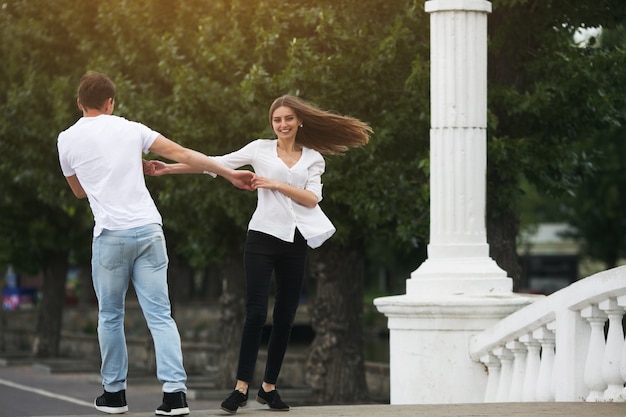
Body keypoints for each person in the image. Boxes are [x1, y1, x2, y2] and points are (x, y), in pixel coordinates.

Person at [146, 94, 372, 413]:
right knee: (255, 313)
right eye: (277, 120)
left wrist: (275, 184)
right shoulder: (259, 149)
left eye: (288, 119)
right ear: (272, 123)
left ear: (300, 121)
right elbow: (215, 162)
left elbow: (311, 199)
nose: (282, 124)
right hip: (261, 238)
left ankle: (269, 388)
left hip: (294, 242)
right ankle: (241, 388)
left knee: (285, 317)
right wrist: (167, 169)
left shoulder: (313, 158)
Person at [57, 71, 255, 416]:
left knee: (110, 316)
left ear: (79, 103)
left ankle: (115, 395)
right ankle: (175, 396)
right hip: (149, 230)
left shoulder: (66, 139)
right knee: (160, 315)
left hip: (110, 236)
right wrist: (227, 173)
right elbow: (182, 153)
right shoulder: (133, 129)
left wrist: (109, 175)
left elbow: (78, 191)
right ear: (110, 103)